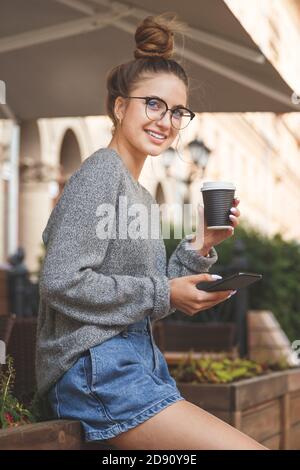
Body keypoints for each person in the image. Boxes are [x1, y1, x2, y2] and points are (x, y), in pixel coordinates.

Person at [36, 13, 267, 450]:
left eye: (178, 111)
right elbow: (61, 281)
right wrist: (164, 294)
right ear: (120, 106)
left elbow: (144, 297)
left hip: (132, 365)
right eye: (153, 104)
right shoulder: (102, 173)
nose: (166, 120)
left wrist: (201, 246)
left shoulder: (138, 194)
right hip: (96, 368)